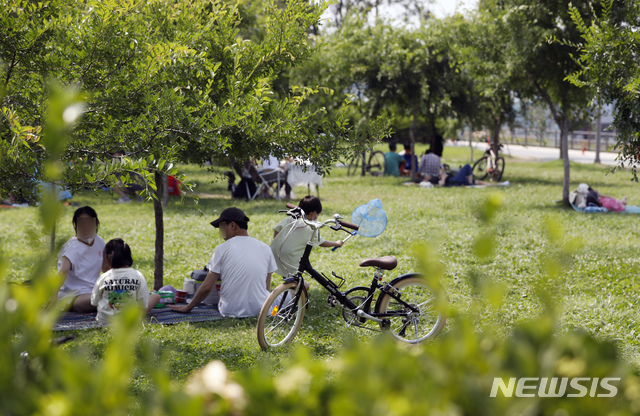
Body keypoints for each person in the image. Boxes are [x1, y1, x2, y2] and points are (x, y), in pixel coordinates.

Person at [170, 207, 277, 317]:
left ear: (232, 226)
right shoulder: (265, 248)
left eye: (221, 228)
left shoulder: (222, 249)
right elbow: (266, 287)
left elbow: (207, 287)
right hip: (261, 309)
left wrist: (188, 307)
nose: (221, 233)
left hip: (230, 310)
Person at [271, 196, 343, 280]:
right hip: (290, 258)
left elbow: (277, 230)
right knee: (296, 281)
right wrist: (337, 243)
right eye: (317, 214)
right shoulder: (310, 228)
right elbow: (322, 243)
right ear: (313, 213)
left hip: (274, 252)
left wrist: (278, 243)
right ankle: (291, 289)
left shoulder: (289, 219)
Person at [91, 239, 160, 324]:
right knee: (156, 296)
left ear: (109, 257)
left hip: (104, 321)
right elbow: (143, 304)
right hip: (130, 321)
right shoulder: (138, 275)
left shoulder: (103, 277)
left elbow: (94, 302)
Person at [58, 206, 106, 312]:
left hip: (94, 291)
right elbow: (62, 273)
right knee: (109, 297)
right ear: (76, 226)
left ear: (96, 223)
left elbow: (107, 268)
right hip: (74, 297)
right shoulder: (71, 247)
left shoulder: (99, 241)